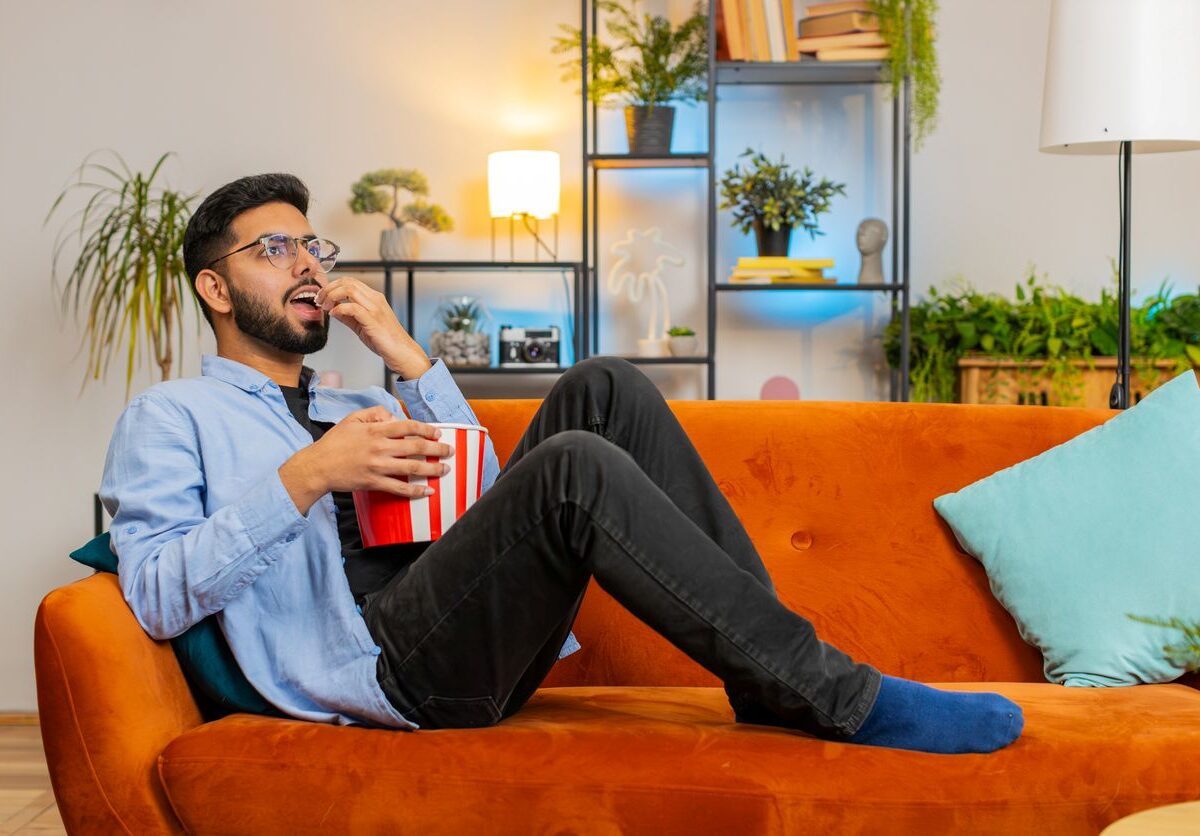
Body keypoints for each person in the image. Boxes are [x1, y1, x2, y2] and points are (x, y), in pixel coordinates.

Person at [100, 173, 1024, 754]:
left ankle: (769, 683)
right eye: (275, 248)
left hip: (461, 622)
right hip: (386, 670)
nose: (305, 262)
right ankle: (836, 695)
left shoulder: (358, 398)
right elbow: (154, 591)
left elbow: (488, 499)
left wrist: (407, 359)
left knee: (605, 387)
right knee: (574, 463)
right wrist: (307, 475)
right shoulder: (172, 414)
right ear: (214, 288)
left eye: (312, 243)